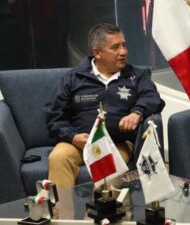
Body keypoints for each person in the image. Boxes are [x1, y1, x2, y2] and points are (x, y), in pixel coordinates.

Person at [45, 23, 164, 187]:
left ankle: (108, 213)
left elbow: (153, 97)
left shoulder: (136, 76)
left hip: (117, 143)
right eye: (115, 47)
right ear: (97, 53)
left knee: (109, 168)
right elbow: (54, 116)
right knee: (58, 158)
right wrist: (71, 137)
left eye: (124, 45)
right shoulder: (73, 78)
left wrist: (137, 113)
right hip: (79, 143)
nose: (123, 52)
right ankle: (63, 212)